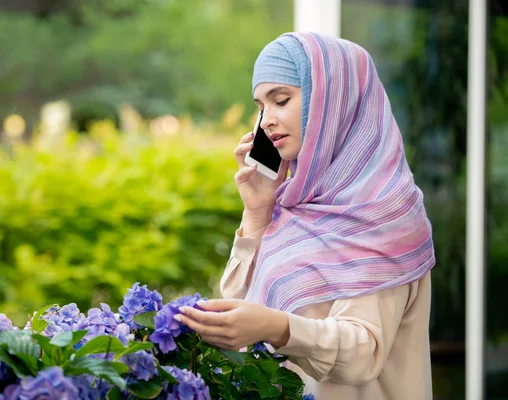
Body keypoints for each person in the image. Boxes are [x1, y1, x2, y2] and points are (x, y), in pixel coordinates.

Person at [174, 32, 435, 399]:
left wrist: (278, 328)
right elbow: (240, 308)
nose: (266, 120)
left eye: (281, 100)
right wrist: (258, 211)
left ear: (334, 101)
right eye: (261, 107)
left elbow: (363, 353)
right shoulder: (293, 206)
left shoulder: (388, 214)